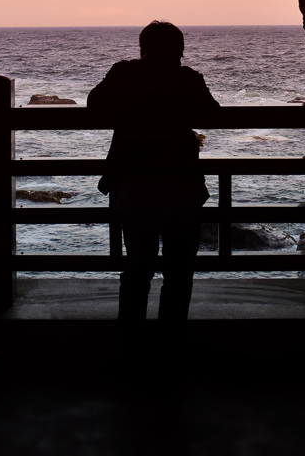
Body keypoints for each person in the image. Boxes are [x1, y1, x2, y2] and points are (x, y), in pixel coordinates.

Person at [87, 20, 220, 345]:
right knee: (179, 272)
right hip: (181, 186)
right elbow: (214, 115)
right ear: (179, 50)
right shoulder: (187, 79)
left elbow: (94, 105)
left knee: (137, 269)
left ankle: (129, 342)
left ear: (143, 47)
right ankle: (170, 341)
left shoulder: (124, 74)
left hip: (135, 185)